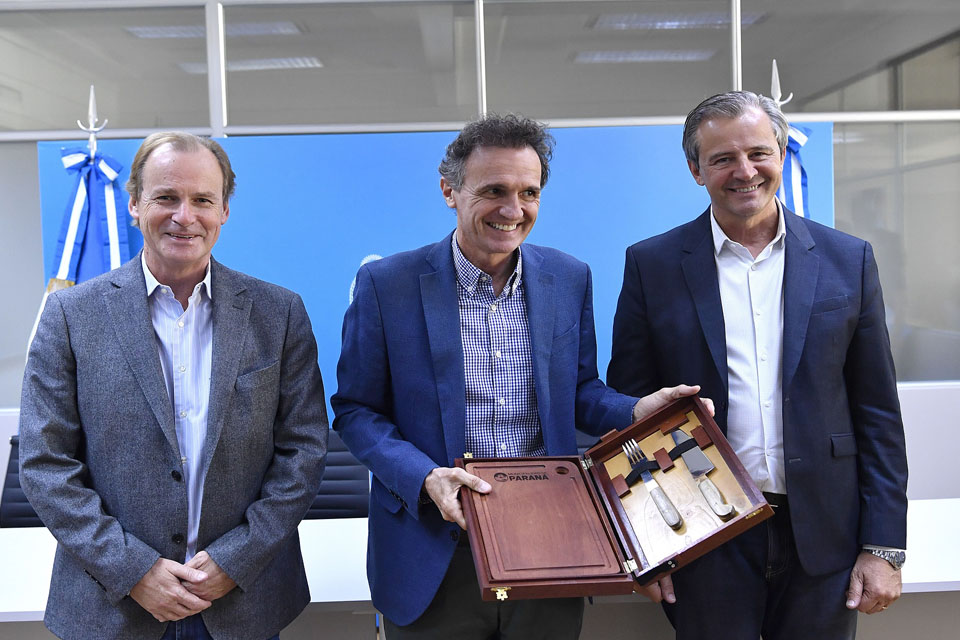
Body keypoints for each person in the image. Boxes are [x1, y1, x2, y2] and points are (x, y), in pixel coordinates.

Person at [332, 113, 706, 639]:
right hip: (435, 548)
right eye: (493, 191)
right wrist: (425, 477)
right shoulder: (386, 284)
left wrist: (636, 411)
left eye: (529, 193)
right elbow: (356, 411)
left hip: (548, 544)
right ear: (450, 191)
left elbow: (579, 392)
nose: (513, 210)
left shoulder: (568, 277)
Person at [607, 91, 908, 639]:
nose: (744, 171)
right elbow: (630, 413)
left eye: (758, 153)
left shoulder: (848, 259)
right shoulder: (652, 265)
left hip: (826, 535)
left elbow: (878, 412)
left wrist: (884, 546)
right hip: (704, 529)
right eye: (723, 158)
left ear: (781, 154)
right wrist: (644, 542)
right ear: (696, 170)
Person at [19, 132, 328, 640]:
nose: (184, 216)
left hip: (241, 603)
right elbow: (45, 462)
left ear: (224, 210)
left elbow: (304, 451)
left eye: (202, 200)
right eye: (166, 197)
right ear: (134, 204)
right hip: (113, 607)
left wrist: (235, 559)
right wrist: (132, 570)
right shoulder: (70, 316)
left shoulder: (279, 314)